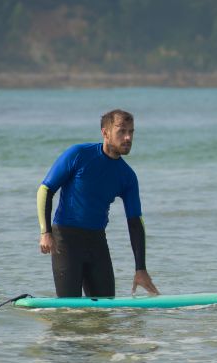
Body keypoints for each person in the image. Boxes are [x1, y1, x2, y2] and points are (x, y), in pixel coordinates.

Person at [36, 109, 159, 298]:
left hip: (97, 242)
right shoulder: (79, 155)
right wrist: (46, 232)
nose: (128, 138)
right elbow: (45, 190)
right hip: (66, 240)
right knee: (70, 309)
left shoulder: (127, 176)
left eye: (131, 132)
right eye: (122, 131)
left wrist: (140, 269)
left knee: (105, 311)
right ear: (105, 133)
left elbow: (135, 222)